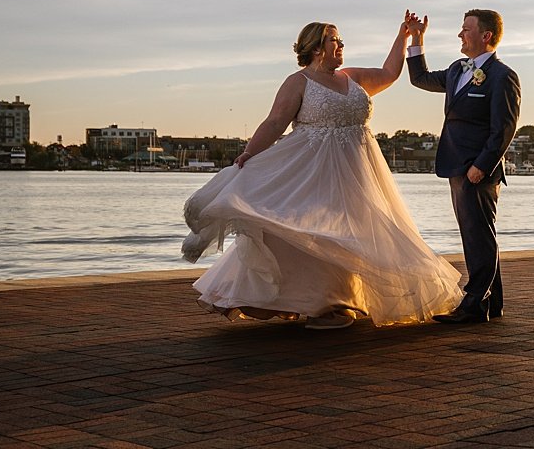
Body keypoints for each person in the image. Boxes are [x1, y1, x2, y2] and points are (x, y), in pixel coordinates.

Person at [181, 16, 462, 329]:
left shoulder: (352, 77)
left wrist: (405, 36)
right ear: (316, 48)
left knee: (356, 231)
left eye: (340, 40)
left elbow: (388, 73)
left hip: (359, 170)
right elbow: (275, 122)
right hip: (312, 169)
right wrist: (249, 154)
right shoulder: (298, 82)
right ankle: (322, 304)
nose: (341, 45)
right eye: (334, 40)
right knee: (311, 233)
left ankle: (342, 301)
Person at [405, 9, 521, 324]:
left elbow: (504, 128)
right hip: (456, 164)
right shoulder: (458, 69)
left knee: (478, 235)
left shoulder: (502, 76)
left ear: (485, 36)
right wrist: (416, 39)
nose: (460, 34)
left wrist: (482, 166)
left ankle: (473, 305)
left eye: (466, 29)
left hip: (477, 170)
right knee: (476, 235)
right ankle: (490, 304)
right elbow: (420, 79)